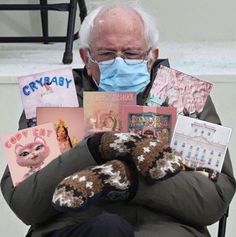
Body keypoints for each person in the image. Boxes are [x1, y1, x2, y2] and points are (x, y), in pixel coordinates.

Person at [1, 3, 235, 237]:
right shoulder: (53, 97)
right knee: (107, 229)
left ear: (152, 56)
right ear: (86, 56)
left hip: (165, 228)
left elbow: (213, 202)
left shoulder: (184, 96)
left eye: (132, 54)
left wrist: (131, 179)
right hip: (76, 227)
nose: (119, 63)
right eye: (106, 54)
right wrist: (91, 149)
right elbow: (25, 203)